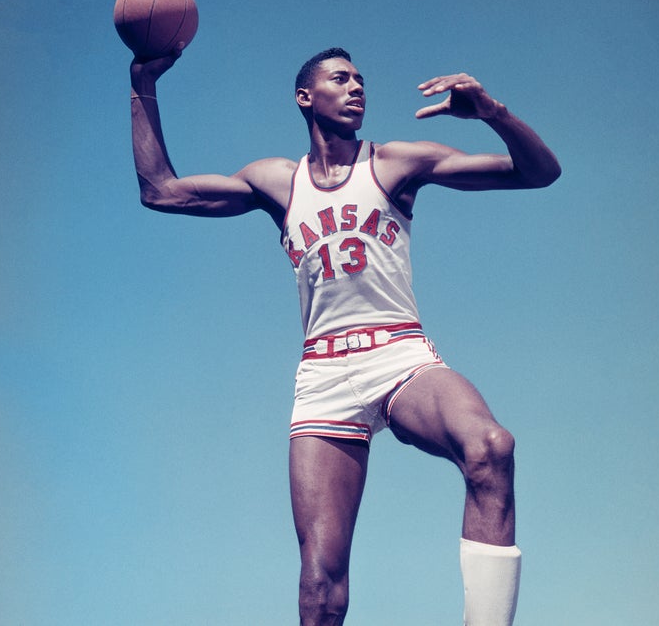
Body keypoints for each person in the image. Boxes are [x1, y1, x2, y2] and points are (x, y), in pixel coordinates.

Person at [128, 46, 561, 625]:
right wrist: (142, 82)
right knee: (319, 590)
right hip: (324, 375)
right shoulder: (276, 182)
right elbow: (160, 190)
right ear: (306, 97)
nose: (357, 87)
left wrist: (492, 112)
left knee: (491, 448)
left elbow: (539, 173)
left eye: (361, 79)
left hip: (399, 354)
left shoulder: (396, 163)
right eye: (340, 78)